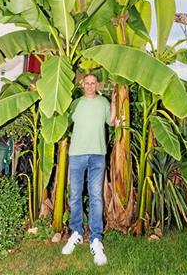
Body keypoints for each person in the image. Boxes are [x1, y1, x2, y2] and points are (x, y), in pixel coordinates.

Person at [61, 73, 117, 266]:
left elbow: (112, 121)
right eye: (87, 83)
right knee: (75, 195)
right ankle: (76, 232)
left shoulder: (103, 102)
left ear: (97, 84)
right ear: (82, 84)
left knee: (95, 196)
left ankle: (96, 239)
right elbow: (63, 122)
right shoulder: (75, 104)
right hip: (76, 154)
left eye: (93, 83)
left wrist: (116, 101)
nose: (90, 86)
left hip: (98, 154)